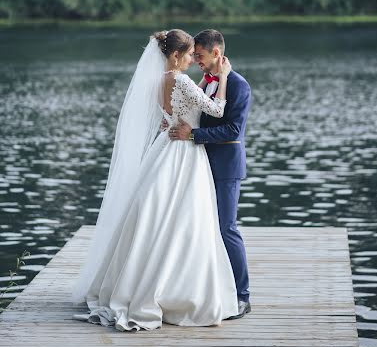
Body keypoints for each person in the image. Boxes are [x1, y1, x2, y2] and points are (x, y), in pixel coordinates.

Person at [71, 29, 239, 331]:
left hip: (165, 147)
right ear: (176, 56)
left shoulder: (159, 81)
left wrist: (183, 110)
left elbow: (173, 113)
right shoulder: (182, 79)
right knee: (186, 219)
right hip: (185, 154)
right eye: (189, 54)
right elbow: (215, 108)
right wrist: (223, 77)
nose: (192, 58)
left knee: (161, 215)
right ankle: (175, 290)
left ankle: (143, 279)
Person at [168, 29, 252, 319]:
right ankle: (214, 291)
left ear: (216, 53)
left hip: (226, 166)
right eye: (195, 56)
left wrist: (193, 135)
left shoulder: (239, 86)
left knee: (227, 228)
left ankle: (242, 296)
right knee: (202, 229)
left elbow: (233, 130)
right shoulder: (206, 84)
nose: (197, 61)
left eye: (201, 56)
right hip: (199, 165)